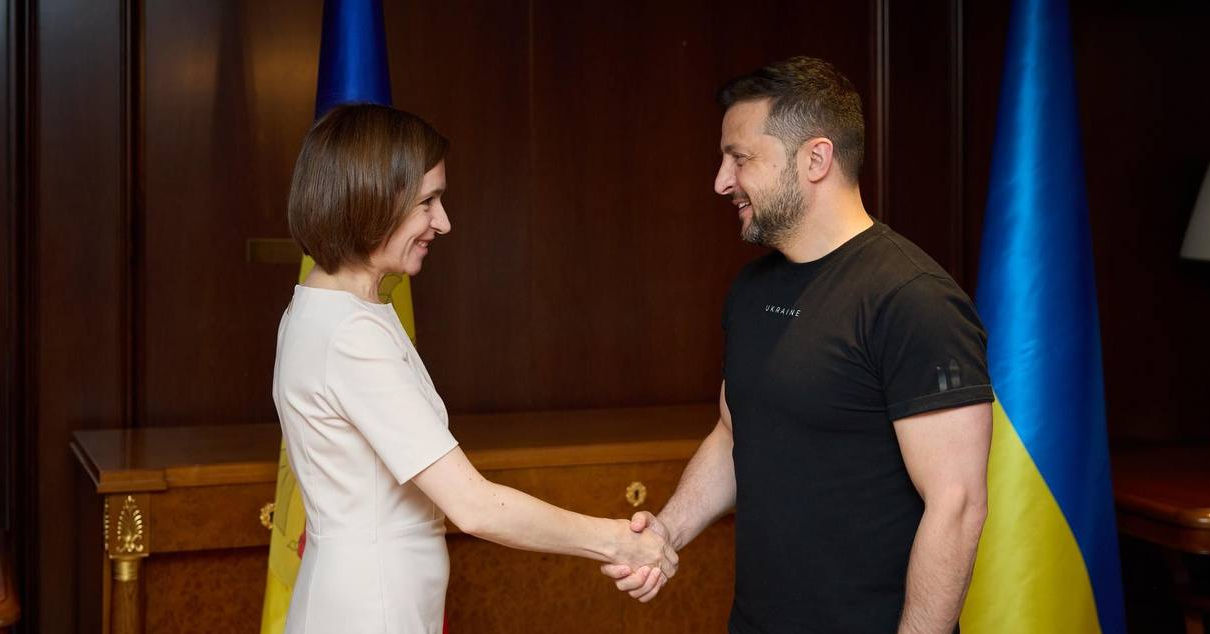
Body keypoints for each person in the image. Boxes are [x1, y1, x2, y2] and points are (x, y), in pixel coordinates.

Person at [603, 56, 993, 633]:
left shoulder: (914, 300)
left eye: (740, 158)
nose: (721, 181)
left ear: (815, 158)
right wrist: (667, 531)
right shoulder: (752, 288)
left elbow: (957, 506)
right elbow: (733, 433)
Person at [273, 104, 676, 634]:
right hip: (370, 609)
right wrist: (619, 541)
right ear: (370, 197)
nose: (443, 222)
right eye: (427, 202)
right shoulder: (350, 334)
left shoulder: (325, 309)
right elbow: (474, 506)